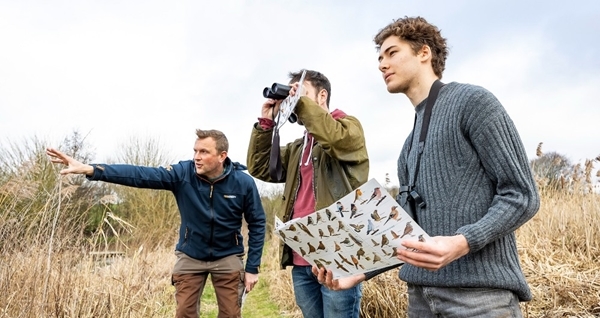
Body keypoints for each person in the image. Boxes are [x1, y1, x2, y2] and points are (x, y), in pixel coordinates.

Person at [314, 16, 540, 317]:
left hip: (480, 300)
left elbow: (522, 195)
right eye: (379, 58)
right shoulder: (408, 145)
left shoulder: (473, 102)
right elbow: (404, 229)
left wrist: (463, 242)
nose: (382, 64)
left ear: (424, 53)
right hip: (420, 299)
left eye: (392, 53)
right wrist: (359, 271)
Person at [47, 129, 266, 318]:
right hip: (191, 255)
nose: (196, 157)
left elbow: (257, 223)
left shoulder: (243, 183)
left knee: (231, 314)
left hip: (227, 255)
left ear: (222, 156)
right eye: (195, 151)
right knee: (184, 313)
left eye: (204, 152)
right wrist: (92, 170)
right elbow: (140, 175)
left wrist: (252, 268)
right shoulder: (183, 174)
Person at [247, 69, 369, 318]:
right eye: (290, 94)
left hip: (338, 260)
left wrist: (299, 104)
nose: (293, 100)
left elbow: (335, 139)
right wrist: (267, 121)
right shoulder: (297, 148)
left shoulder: (348, 127)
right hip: (301, 261)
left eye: (299, 93)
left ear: (322, 95)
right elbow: (259, 167)